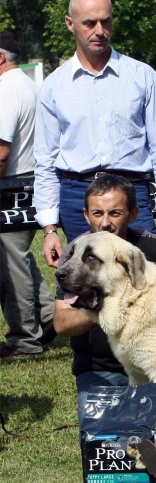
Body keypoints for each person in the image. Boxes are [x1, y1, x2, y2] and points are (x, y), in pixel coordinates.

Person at [34, 0, 156, 269]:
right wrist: (49, 228)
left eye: (105, 21)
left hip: (131, 192)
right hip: (76, 195)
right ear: (70, 24)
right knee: (85, 285)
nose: (99, 30)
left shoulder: (142, 76)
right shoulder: (53, 87)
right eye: (89, 23)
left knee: (141, 281)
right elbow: (45, 162)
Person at [54, 174, 156, 425]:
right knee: (109, 443)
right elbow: (61, 323)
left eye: (115, 213)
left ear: (133, 213)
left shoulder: (151, 249)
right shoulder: (74, 254)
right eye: (97, 214)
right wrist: (100, 309)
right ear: (86, 215)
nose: (105, 223)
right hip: (102, 369)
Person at [0, 31, 55, 358]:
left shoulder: (6, 90)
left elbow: (1, 151)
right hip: (33, 182)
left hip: (11, 185)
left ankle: (24, 340)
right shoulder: (30, 86)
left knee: (9, 264)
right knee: (19, 259)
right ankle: (48, 318)